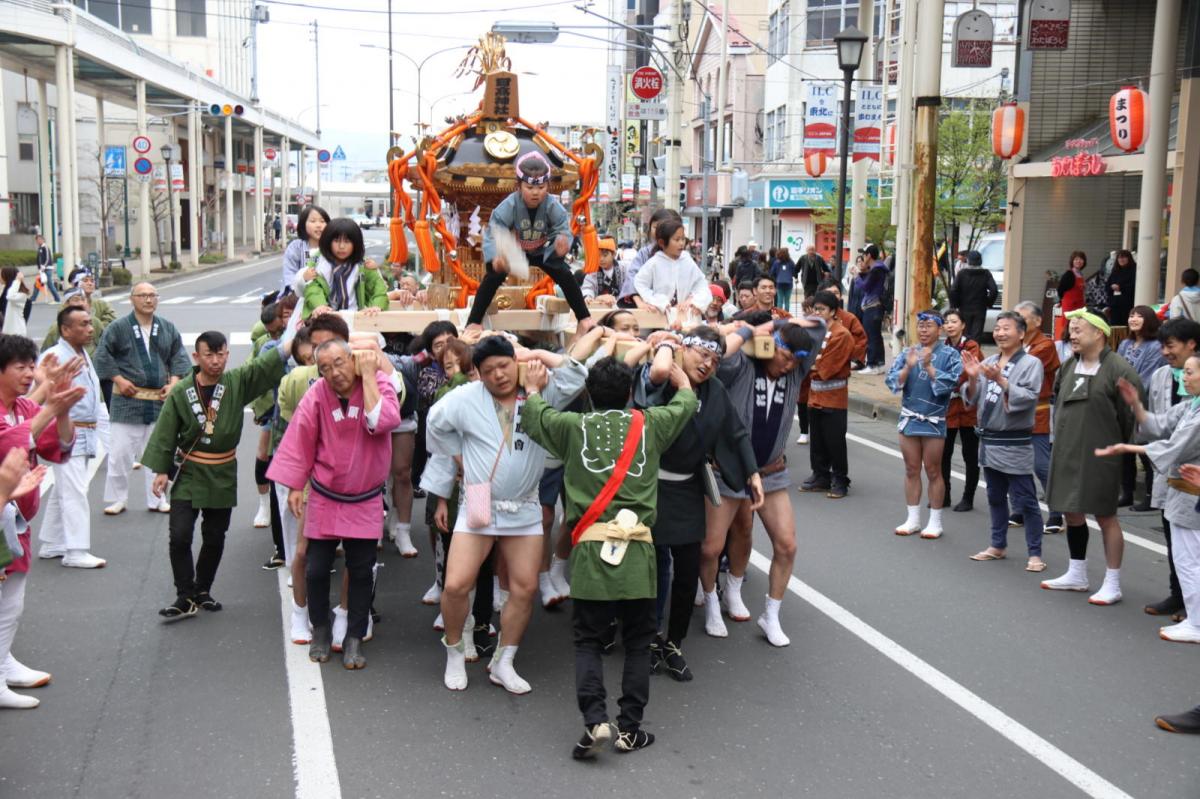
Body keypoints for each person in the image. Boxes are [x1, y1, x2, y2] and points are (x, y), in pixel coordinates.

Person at [521, 357, 696, 758]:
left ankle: (596, 720)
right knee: (637, 641)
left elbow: (535, 415)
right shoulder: (648, 424)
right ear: (630, 394)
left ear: (588, 396)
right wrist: (681, 378)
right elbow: (685, 403)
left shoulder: (572, 427)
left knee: (587, 639)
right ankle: (630, 728)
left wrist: (533, 387)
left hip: (591, 551)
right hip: (639, 553)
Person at [428, 335, 586, 692]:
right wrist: (460, 457)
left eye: (503, 365)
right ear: (478, 375)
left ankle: (505, 660)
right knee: (456, 584)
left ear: (515, 362)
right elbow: (435, 424)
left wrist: (537, 353)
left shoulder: (539, 391)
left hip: (526, 503)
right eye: (488, 371)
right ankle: (454, 650)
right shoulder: (466, 397)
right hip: (481, 498)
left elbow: (578, 375)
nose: (498, 375)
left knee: (525, 587)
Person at [627, 326, 761, 679]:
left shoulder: (715, 390)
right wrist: (667, 345)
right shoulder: (659, 378)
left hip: (687, 489)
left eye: (716, 360)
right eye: (703, 354)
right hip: (650, 488)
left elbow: (735, 431)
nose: (708, 364)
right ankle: (649, 639)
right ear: (684, 349)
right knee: (654, 572)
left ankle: (674, 642)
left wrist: (753, 474)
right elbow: (655, 373)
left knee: (688, 572)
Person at [140, 331, 290, 620]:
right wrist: (161, 471)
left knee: (214, 536)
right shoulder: (182, 391)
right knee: (180, 536)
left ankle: (202, 590)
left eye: (221, 354)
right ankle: (184, 595)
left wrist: (293, 340)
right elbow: (166, 430)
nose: (216, 361)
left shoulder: (235, 383)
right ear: (196, 356)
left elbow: (263, 367)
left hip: (222, 471)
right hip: (190, 470)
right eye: (209, 355)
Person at [269, 341, 399, 669]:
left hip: (365, 497)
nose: (334, 373)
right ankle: (321, 630)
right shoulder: (317, 395)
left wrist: (368, 376)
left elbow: (383, 422)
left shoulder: (379, 383)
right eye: (325, 368)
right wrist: (296, 485)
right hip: (326, 495)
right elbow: (300, 439)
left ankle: (354, 636)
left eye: (339, 363)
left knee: (360, 570)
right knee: (315, 569)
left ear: (352, 359)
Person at [702, 316, 820, 647]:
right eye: (784, 355)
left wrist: (785, 320)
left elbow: (820, 327)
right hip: (729, 470)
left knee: (787, 544)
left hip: (771, 471)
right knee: (711, 546)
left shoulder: (796, 371)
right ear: (770, 346)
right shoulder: (742, 366)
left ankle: (769, 613)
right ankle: (711, 599)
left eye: (796, 360)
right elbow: (720, 355)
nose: (789, 365)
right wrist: (754, 332)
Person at [0, 335, 82, 708]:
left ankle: (5, 662)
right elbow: (8, 445)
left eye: (31, 366)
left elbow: (56, 447)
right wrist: (50, 403)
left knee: (13, 601)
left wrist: (61, 412)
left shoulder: (21, 406)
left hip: (15, 519)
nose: (29, 373)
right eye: (21, 367)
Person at [1040, 308, 1143, 603]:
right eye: (1070, 329)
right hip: (1067, 448)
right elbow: (1058, 400)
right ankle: (1077, 572)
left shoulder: (1120, 370)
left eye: (1078, 329)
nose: (1072, 334)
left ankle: (1112, 581)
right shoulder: (1068, 366)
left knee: (1105, 515)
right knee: (1071, 510)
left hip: (1101, 453)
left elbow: (1130, 417)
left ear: (1099, 333)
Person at [1097, 354, 1200, 642]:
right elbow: (1160, 424)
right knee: (1186, 559)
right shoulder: (1192, 406)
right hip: (1182, 492)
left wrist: (1129, 449)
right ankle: (1195, 618)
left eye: (1190, 373)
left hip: (1192, 495)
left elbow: (1174, 446)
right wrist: (1137, 406)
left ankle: (1197, 623)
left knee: (1189, 560)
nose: (1184, 378)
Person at [271, 314, 351, 645]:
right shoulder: (299, 383)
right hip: (312, 479)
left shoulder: (367, 378)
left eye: (332, 347)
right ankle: (300, 613)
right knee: (303, 552)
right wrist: (293, 482)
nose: (324, 355)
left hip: (355, 481)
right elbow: (292, 435)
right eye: (317, 347)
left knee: (360, 554)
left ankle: (350, 614)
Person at [467, 152, 593, 332]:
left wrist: (561, 244)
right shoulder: (509, 205)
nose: (536, 192)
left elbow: (562, 229)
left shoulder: (552, 206)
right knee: (493, 277)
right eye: (529, 187)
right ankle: (474, 322)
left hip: (542, 250)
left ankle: (584, 318)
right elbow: (495, 230)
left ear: (548, 185)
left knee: (565, 274)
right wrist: (496, 257)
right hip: (516, 251)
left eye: (541, 187)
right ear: (518, 186)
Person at [93, 283, 191, 515]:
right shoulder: (118, 327)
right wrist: (118, 379)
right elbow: (102, 355)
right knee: (119, 454)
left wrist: (174, 382)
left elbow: (179, 355)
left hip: (158, 400)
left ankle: (157, 498)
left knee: (159, 452)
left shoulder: (167, 327)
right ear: (132, 299)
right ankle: (118, 498)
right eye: (143, 295)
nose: (148, 300)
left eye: (152, 295)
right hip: (127, 399)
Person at [962, 311, 1046, 572]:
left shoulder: (1031, 363)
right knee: (995, 497)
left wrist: (1000, 379)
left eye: (1006, 328)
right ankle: (997, 545)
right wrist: (974, 377)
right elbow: (971, 400)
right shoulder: (989, 361)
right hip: (989, 441)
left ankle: (1035, 553)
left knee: (1026, 500)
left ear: (1021, 333)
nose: (999, 333)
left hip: (1015, 442)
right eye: (997, 328)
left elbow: (1029, 397)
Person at [36, 306, 108, 569]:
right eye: (83, 324)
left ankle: (53, 541)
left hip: (84, 429)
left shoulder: (80, 353)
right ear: (65, 329)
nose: (90, 329)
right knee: (75, 490)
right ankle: (75, 550)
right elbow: (41, 394)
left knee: (66, 488)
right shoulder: (54, 356)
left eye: (90, 323)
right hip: (66, 429)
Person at [1138, 318, 1200, 619]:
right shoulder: (1163, 375)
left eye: (1170, 345)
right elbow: (1157, 421)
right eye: (1162, 345)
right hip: (1167, 469)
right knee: (1173, 536)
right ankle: (1179, 596)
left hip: (1193, 471)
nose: (1164, 351)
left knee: (1194, 543)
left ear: (1192, 345)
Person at [885, 311, 962, 538]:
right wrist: (908, 367)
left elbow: (952, 383)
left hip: (934, 419)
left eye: (929, 326)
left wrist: (929, 367)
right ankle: (913, 519)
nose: (923, 330)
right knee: (911, 469)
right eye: (920, 326)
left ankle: (935, 521)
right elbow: (892, 381)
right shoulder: (909, 352)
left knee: (933, 470)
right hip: (910, 417)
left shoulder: (950, 354)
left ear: (940, 329)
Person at [1009, 301, 1064, 533]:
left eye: (1023, 319)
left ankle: (1056, 513)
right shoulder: (1015, 344)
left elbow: (1020, 369)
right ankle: (1020, 508)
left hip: (1037, 412)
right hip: (1012, 411)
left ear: (1038, 321)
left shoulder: (1045, 345)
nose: (1018, 323)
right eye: (1016, 319)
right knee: (1013, 464)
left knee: (1041, 465)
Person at [803, 292, 854, 499]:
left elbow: (826, 368)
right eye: (815, 309)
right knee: (817, 439)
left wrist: (809, 365)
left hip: (834, 396)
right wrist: (810, 365)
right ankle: (821, 475)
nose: (817, 313)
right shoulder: (817, 332)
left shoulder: (841, 335)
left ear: (833, 312)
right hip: (814, 394)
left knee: (834, 440)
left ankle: (840, 479)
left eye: (822, 309)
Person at [1117, 306, 1166, 510]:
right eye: (1131, 315)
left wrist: (1130, 394)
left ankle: (1151, 496)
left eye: (1139, 316)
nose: (1134, 319)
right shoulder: (1125, 343)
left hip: (1143, 405)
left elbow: (1145, 379)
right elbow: (1117, 369)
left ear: (1150, 320)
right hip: (1123, 403)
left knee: (1146, 451)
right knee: (1125, 450)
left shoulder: (1156, 346)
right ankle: (1126, 492)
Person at [300, 219, 389, 318]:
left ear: (356, 243)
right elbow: (312, 288)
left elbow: (379, 288)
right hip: (325, 318)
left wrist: (376, 306)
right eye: (336, 240)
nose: (341, 246)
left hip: (356, 317)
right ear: (328, 241)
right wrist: (320, 305)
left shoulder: (364, 265)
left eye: (347, 241)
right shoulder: (317, 264)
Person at [941, 309, 982, 511]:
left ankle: (968, 497)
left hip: (968, 406)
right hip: (948, 406)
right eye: (946, 322)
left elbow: (970, 371)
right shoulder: (942, 347)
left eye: (954, 321)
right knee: (944, 452)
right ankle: (944, 494)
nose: (949, 325)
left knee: (970, 454)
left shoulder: (971, 346)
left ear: (963, 324)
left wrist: (950, 381)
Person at [633, 219, 710, 319]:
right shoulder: (654, 263)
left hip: (685, 317)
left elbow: (701, 285)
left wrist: (693, 301)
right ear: (662, 242)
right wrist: (657, 301)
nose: (681, 243)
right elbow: (640, 283)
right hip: (661, 317)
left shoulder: (687, 260)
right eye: (677, 240)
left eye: (683, 239)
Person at [618, 208, 681, 308]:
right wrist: (639, 302)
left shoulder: (682, 256)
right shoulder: (644, 253)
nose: (659, 232)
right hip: (647, 308)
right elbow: (632, 277)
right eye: (655, 227)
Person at [948, 250, 997, 343]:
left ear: (968, 260)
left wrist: (955, 305)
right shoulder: (985, 273)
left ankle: (964, 353)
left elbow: (953, 290)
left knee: (964, 333)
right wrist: (988, 303)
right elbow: (994, 290)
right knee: (977, 335)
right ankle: (974, 353)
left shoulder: (962, 273)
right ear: (980, 261)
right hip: (980, 307)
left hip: (964, 307)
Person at [855, 245, 889, 373]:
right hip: (875, 307)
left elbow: (865, 287)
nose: (863, 257)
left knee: (871, 336)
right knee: (876, 336)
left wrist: (856, 276)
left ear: (869, 255)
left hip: (873, 307)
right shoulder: (878, 269)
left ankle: (872, 365)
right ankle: (878, 364)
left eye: (864, 254)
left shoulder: (876, 270)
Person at [281, 205, 329, 295]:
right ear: (303, 224)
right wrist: (302, 279)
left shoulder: (332, 247)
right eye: (313, 221)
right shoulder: (296, 247)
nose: (318, 225)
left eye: (322, 221)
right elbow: (289, 273)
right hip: (299, 296)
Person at [580, 236, 623, 306]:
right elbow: (587, 287)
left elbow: (628, 287)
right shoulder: (593, 271)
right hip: (599, 305)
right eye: (598, 256)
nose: (601, 259)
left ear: (614, 254)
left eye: (605, 255)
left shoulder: (623, 268)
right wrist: (588, 297)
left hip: (620, 306)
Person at [1106, 250, 1136, 327]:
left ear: (1129, 258)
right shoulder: (1115, 270)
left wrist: (1121, 288)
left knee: (1127, 325)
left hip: (1128, 305)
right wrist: (1111, 287)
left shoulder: (1134, 270)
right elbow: (1107, 285)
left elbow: (1134, 286)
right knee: (1115, 327)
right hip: (1115, 305)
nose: (1121, 260)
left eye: (1124, 257)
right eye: (1119, 258)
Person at [0, 268, 32, 338]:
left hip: (17, 333)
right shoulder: (6, 290)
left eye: (0, 274)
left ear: (7, 276)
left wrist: (18, 280)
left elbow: (10, 296)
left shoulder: (21, 294)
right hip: (8, 332)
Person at [1057, 251, 1088, 318]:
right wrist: (1062, 301)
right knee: (1069, 325)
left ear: (1084, 262)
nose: (1079, 261)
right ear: (1072, 261)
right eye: (1076, 259)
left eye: (1081, 259)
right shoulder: (1069, 274)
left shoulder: (1081, 274)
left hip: (1080, 305)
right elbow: (1060, 289)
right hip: (1070, 306)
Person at [769, 247, 794, 311]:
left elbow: (771, 273)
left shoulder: (776, 262)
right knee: (787, 301)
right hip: (789, 284)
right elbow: (794, 272)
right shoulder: (791, 262)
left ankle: (779, 315)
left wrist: (776, 278)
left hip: (779, 284)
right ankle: (786, 315)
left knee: (780, 301)